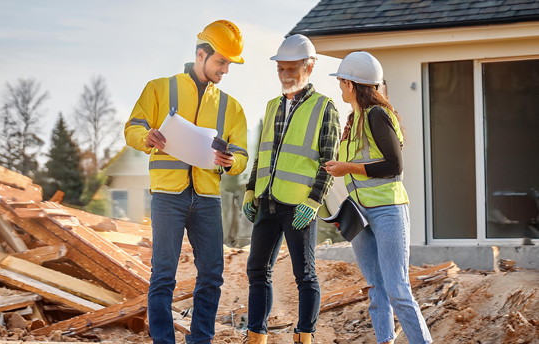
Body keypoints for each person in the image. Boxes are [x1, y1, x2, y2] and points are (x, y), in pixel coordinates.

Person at [124, 20, 249, 344]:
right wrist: (146, 137)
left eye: (228, 64)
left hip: (208, 198)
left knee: (211, 275)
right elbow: (132, 127)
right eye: (221, 61)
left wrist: (232, 162)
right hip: (168, 195)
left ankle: (200, 340)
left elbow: (241, 154)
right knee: (163, 275)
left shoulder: (231, 107)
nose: (225, 70)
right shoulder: (159, 89)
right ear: (201, 54)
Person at [325, 51, 432, 344]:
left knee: (397, 287)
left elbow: (393, 165)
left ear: (350, 83)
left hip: (388, 211)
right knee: (376, 287)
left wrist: (347, 167)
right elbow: (356, 172)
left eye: (341, 81)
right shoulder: (353, 119)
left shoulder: (377, 115)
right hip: (359, 215)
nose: (339, 86)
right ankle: (385, 340)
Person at [242, 34, 341, 344]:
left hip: (299, 206)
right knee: (257, 270)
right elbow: (263, 153)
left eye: (291, 69)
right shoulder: (272, 107)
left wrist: (314, 201)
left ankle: (305, 337)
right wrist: (250, 190)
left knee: (305, 276)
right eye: (280, 69)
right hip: (267, 200)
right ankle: (257, 335)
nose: (285, 76)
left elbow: (330, 162)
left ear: (309, 67)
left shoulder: (325, 108)